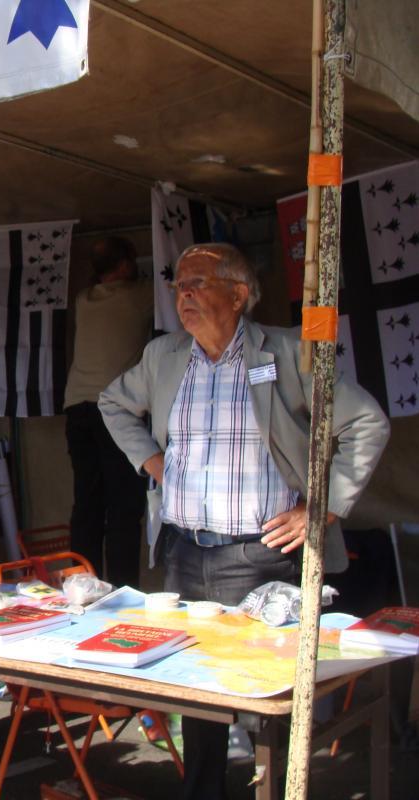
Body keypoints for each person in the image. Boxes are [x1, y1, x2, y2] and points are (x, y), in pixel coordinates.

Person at [99, 243, 390, 799]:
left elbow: (366, 423)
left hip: (260, 555)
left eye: (197, 283)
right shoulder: (164, 356)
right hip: (185, 551)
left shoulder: (288, 352)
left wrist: (323, 508)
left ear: (237, 294)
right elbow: (112, 403)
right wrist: (152, 460)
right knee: (194, 691)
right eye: (179, 286)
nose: (183, 295)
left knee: (267, 697)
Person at [63, 236, 152, 587]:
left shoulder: (83, 299)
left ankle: (82, 585)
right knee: (123, 505)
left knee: (87, 502)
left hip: (77, 407)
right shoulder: (140, 296)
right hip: (116, 410)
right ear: (126, 264)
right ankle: (123, 590)